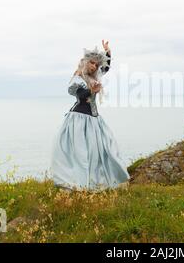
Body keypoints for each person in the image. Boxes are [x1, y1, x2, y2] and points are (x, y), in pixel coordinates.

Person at [51, 40, 130, 191]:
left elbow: (105, 67)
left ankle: (100, 181)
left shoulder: (95, 76)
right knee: (82, 154)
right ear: (85, 62)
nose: (94, 66)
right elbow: (79, 94)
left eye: (96, 64)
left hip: (94, 120)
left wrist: (108, 52)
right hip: (79, 120)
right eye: (92, 63)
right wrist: (91, 91)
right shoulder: (78, 77)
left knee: (104, 149)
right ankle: (79, 184)